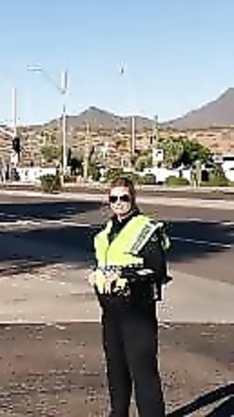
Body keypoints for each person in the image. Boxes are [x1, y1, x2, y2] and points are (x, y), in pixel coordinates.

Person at [89, 176, 172, 417]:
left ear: (133, 199)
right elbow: (105, 264)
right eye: (113, 198)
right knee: (116, 369)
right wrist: (96, 275)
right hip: (111, 310)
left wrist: (125, 275)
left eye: (123, 198)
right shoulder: (104, 234)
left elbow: (158, 271)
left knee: (142, 370)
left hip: (137, 309)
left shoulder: (145, 229)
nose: (118, 203)